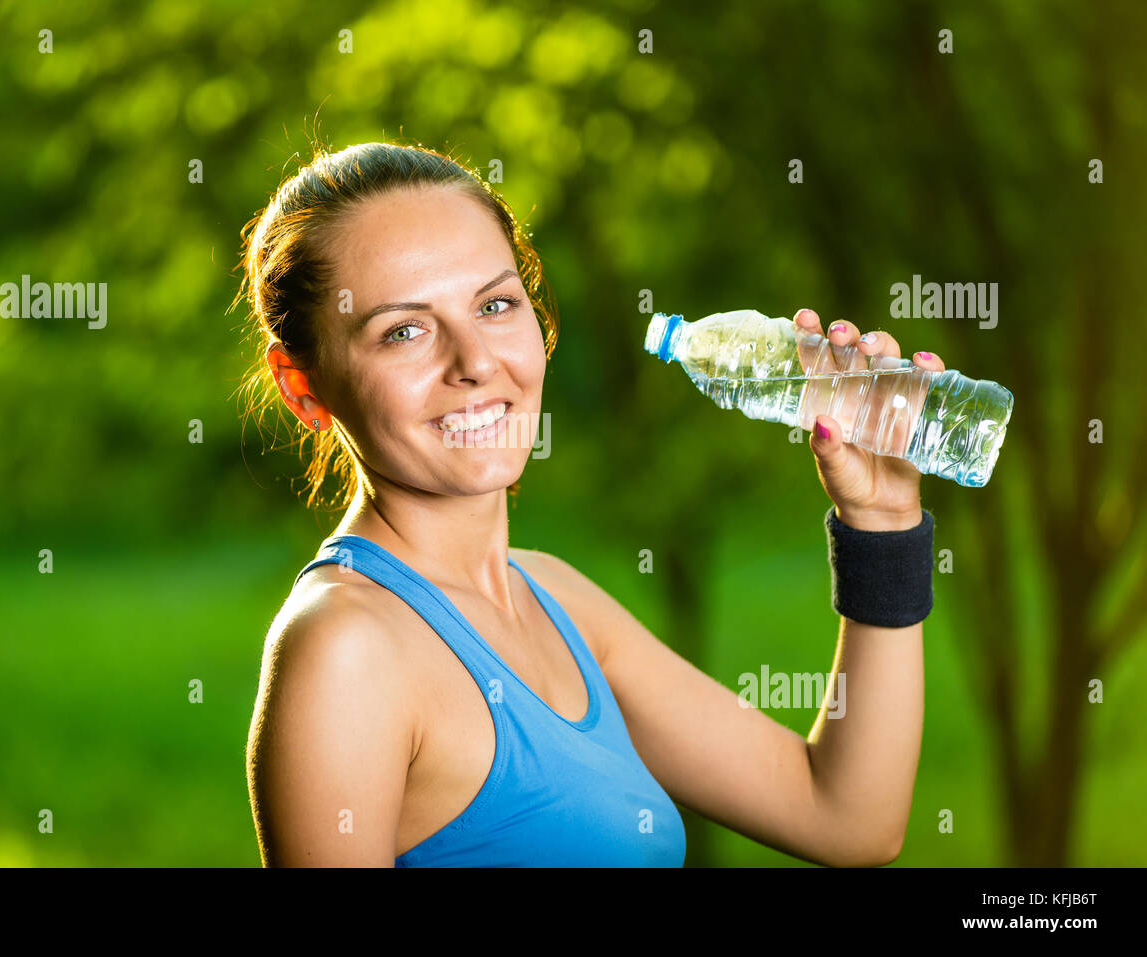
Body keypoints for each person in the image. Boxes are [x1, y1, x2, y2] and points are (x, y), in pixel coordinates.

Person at [240, 141, 939, 867]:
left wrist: (881, 525)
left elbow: (848, 818)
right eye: (404, 331)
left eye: (495, 304)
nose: (477, 362)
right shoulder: (347, 649)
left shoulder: (557, 597)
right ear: (302, 386)